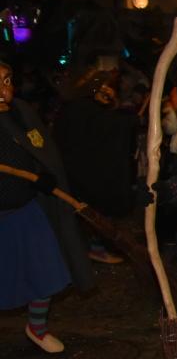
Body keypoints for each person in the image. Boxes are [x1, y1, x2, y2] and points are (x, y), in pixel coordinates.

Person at [0, 61, 95, 352]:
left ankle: (37, 328)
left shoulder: (19, 111)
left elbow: (38, 147)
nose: (3, 89)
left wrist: (44, 175)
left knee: (48, 272)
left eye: (6, 80)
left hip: (26, 210)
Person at [51, 73, 139, 263]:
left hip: (79, 169)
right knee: (98, 208)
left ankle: (87, 248)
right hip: (86, 172)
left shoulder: (82, 107)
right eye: (102, 88)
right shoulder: (84, 109)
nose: (107, 92)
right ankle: (95, 249)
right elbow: (113, 124)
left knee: (89, 211)